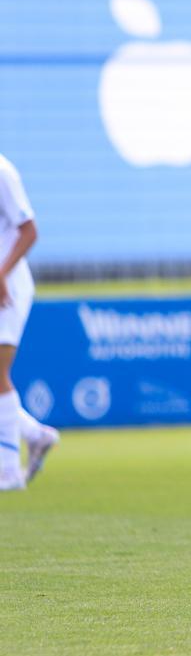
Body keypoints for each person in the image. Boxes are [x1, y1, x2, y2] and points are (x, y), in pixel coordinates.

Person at [0, 152, 59, 492]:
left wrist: (2, 273)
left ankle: (8, 471)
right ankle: (35, 435)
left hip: (7, 288)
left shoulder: (2, 172)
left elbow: (29, 230)